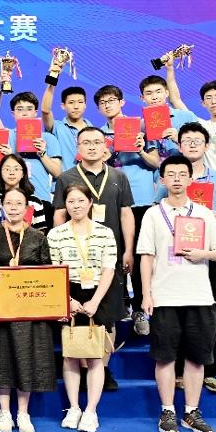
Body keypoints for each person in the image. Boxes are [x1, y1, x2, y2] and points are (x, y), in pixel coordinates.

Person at [136, 155, 216, 432]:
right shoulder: (153, 214)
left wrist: (204, 254)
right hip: (164, 296)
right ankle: (168, 410)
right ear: (162, 180)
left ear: (190, 179)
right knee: (164, 358)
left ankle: (191, 411)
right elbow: (146, 256)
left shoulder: (203, 213)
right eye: (171, 174)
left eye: (182, 174)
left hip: (199, 296)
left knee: (196, 358)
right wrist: (146, 294)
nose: (176, 179)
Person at [51, 125, 135, 392]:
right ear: (78, 147)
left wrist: (128, 249)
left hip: (108, 256)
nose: (91, 146)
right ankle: (82, 367)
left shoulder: (119, 176)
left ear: (105, 146)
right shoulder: (66, 177)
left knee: (108, 314)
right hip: (75, 257)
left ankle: (103, 367)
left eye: (96, 142)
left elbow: (126, 214)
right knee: (77, 315)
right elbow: (59, 214)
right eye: (85, 142)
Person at [0, 187, 55, 432]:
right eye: (9, 203)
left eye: (19, 203)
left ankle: (23, 412)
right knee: (1, 355)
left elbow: (48, 274)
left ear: (27, 207)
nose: (14, 207)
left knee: (27, 355)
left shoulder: (38, 237)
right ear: (2, 206)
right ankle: (4, 412)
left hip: (29, 307)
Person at [160, 122, 216, 393]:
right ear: (179, 145)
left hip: (208, 253)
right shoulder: (170, 176)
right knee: (178, 314)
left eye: (197, 140)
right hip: (177, 257)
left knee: (210, 313)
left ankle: (209, 371)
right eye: (186, 140)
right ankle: (180, 370)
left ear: (206, 145)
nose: (192, 144)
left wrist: (212, 217)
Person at [48, 184, 120, 432]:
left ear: (90, 203)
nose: (76, 206)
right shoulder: (56, 234)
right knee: (70, 353)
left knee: (95, 355)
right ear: (65, 205)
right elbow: (53, 270)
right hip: (68, 292)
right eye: (71, 201)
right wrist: (67, 299)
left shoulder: (105, 233)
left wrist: (96, 301)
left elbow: (109, 269)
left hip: (98, 294)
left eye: (80, 200)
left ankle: (91, 410)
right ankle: (74, 408)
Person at [94, 83, 160, 336]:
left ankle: (141, 308)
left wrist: (140, 148)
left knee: (141, 257)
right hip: (111, 201)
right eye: (102, 103)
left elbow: (156, 162)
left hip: (141, 201)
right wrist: (106, 154)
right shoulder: (98, 135)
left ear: (122, 102)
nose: (107, 105)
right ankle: (120, 305)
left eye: (112, 100)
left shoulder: (141, 127)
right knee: (114, 256)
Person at [0, 91, 63, 207]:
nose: (25, 113)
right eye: (20, 109)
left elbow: (57, 173)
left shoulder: (48, 138)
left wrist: (42, 154)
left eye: (29, 109)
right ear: (13, 113)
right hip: (12, 202)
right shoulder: (6, 135)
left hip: (41, 199)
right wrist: (10, 158)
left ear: (35, 112)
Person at [42, 79, 94, 171]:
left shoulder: (94, 131)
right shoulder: (57, 127)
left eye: (80, 102)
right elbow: (45, 110)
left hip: (90, 178)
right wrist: (52, 81)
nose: (76, 106)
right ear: (63, 106)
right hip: (65, 179)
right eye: (71, 102)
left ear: (85, 105)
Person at [0, 154, 47, 229]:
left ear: (23, 173)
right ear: (0, 172)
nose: (11, 173)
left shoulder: (34, 201)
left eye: (16, 169)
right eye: (7, 169)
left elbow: (40, 232)